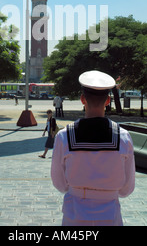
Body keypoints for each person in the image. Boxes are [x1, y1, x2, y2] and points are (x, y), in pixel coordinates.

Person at [51, 70, 135, 226]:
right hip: (110, 214)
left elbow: (60, 184)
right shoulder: (123, 137)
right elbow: (126, 189)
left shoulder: (63, 136)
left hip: (74, 214)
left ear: (83, 99)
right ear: (108, 101)